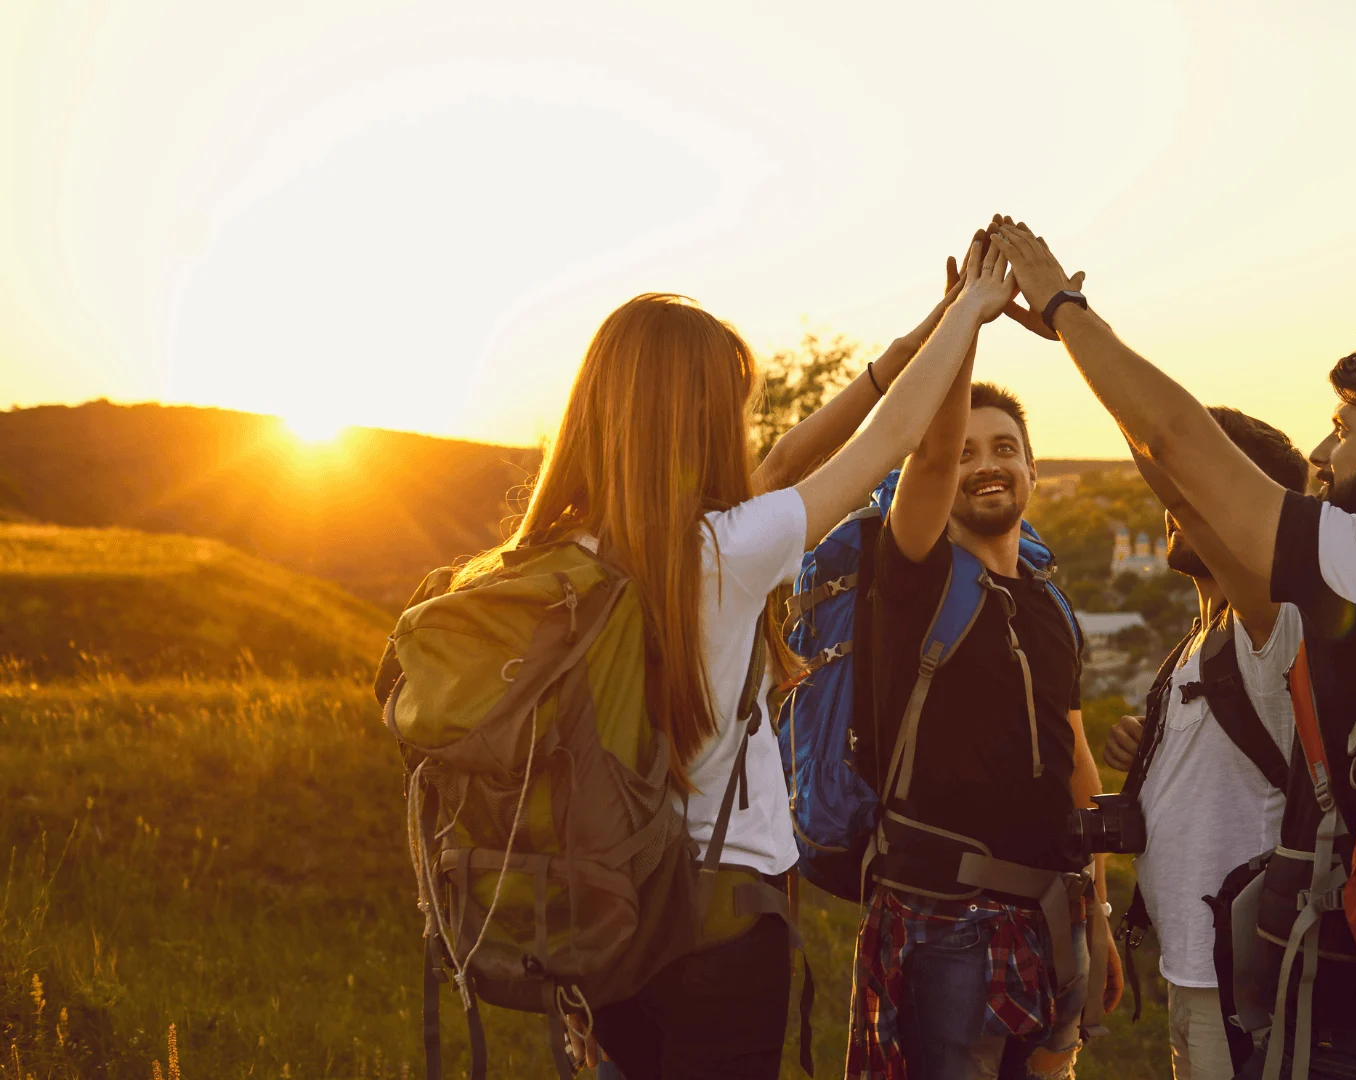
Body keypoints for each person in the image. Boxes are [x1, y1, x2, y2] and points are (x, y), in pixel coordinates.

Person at [458, 231, 1020, 1080]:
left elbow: (791, 460)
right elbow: (891, 442)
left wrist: (913, 343)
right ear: (697, 416)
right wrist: (973, 311)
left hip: (609, 911)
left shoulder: (563, 559)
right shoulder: (723, 553)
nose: (745, 424)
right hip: (721, 922)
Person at [988, 221, 1356, 1080]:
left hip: (1330, 988)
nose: (1318, 453)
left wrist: (1067, 312)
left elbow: (1181, 448)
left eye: (1343, 431)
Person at [847, 350, 1123, 1072]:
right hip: (947, 927)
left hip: (1053, 922)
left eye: (1005, 449)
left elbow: (1074, 753)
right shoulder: (916, 578)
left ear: (1034, 469)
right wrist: (964, 321)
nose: (985, 464)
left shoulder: (1047, 599)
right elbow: (930, 462)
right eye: (966, 453)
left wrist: (1097, 913)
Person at [1100, 408, 1309, 1080]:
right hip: (1192, 971)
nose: (1175, 507)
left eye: (1196, 489)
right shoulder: (1198, 645)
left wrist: (1061, 317)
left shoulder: (1271, 627)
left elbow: (1166, 447)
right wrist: (1153, 755)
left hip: (1242, 989)